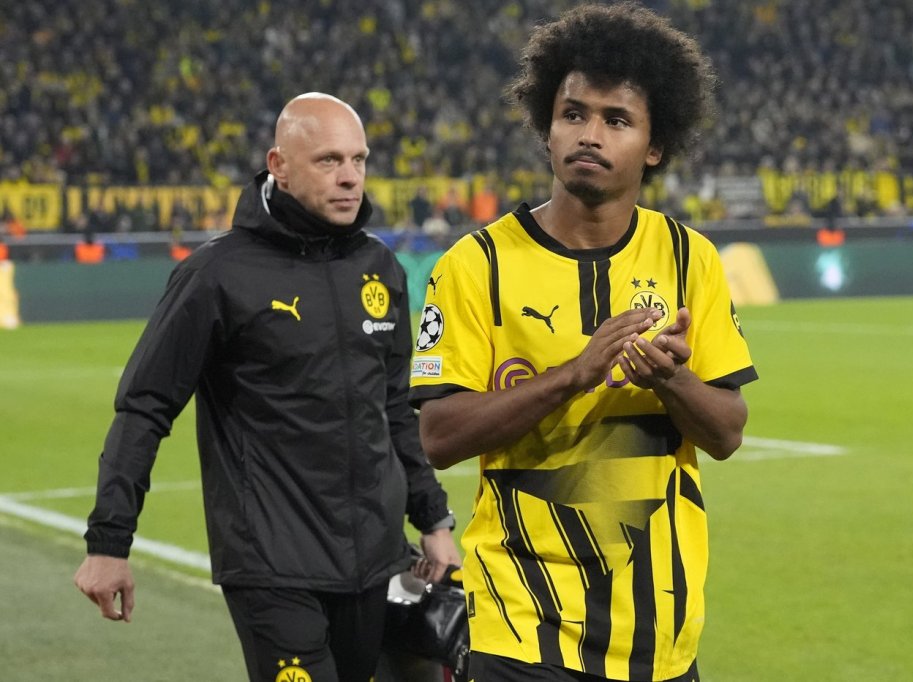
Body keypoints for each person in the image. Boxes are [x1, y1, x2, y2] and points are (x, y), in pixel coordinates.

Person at [409, 4, 757, 681]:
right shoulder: (476, 265)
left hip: (659, 639)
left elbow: (726, 433)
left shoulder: (690, 259)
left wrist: (669, 380)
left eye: (617, 120)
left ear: (654, 147)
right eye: (573, 114)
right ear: (547, 128)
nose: (590, 135)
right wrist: (575, 373)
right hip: (519, 629)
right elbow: (439, 437)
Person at [74, 92, 461, 682]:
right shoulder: (216, 274)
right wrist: (108, 542)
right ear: (279, 165)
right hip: (271, 564)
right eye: (329, 160)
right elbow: (144, 408)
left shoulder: (378, 268)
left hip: (373, 561)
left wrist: (433, 521)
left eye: (358, 159)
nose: (350, 177)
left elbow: (392, 409)